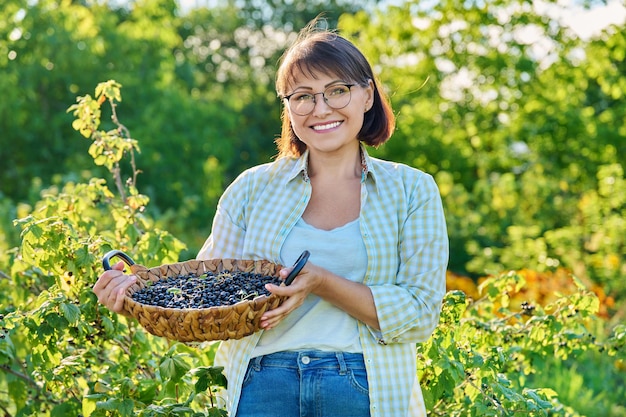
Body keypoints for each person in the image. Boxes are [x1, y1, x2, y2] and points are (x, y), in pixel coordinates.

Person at [94, 17, 448, 417]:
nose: (321, 108)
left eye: (338, 91)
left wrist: (320, 282)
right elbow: (207, 302)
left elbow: (419, 314)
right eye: (303, 96)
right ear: (288, 107)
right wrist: (136, 299)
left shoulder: (411, 190)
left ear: (367, 95)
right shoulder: (252, 189)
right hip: (260, 385)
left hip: (365, 386)